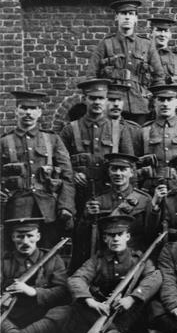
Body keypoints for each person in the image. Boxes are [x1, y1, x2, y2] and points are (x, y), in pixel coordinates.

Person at [57, 214, 162, 333]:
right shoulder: (97, 260)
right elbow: (76, 279)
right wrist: (90, 301)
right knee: (79, 307)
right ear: (105, 238)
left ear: (127, 237)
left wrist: (132, 298)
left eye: (120, 234)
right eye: (111, 235)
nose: (116, 239)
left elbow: (154, 277)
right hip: (103, 309)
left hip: (130, 310)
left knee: (152, 307)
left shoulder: (139, 259)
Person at [2, 91, 76, 245]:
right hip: (16, 209)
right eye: (23, 108)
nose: (28, 112)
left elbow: (67, 176)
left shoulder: (52, 139)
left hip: (48, 210)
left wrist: (65, 206)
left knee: (48, 253)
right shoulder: (4, 142)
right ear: (16, 111)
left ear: (39, 112)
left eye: (33, 108)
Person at [59, 79, 135, 212]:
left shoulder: (120, 130)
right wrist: (73, 174)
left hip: (110, 196)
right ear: (84, 99)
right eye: (92, 98)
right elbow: (59, 164)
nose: (97, 102)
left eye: (101, 98)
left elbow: (131, 165)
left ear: (106, 100)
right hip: (79, 195)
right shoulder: (70, 130)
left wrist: (132, 197)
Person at [1, 217, 69, 333]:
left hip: (42, 314)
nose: (25, 241)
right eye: (20, 236)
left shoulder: (53, 259)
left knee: (66, 311)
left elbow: (62, 291)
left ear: (38, 236)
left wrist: (33, 291)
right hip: (11, 315)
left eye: (30, 236)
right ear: (13, 237)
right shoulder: (4, 261)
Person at [90, 0, 163, 124]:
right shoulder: (106, 44)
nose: (127, 17)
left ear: (136, 18)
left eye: (131, 14)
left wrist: (154, 99)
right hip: (113, 104)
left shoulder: (146, 45)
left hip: (141, 105)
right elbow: (91, 76)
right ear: (116, 17)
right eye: (123, 13)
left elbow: (159, 76)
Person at [80, 153, 155, 255]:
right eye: (114, 169)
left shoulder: (144, 199)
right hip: (105, 258)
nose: (118, 173)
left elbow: (150, 235)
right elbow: (83, 236)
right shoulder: (98, 200)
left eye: (123, 169)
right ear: (108, 172)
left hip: (135, 257)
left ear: (131, 173)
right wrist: (87, 217)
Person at [106, 83, 143, 156]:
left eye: (120, 100)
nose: (116, 104)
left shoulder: (135, 130)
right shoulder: (95, 129)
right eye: (111, 100)